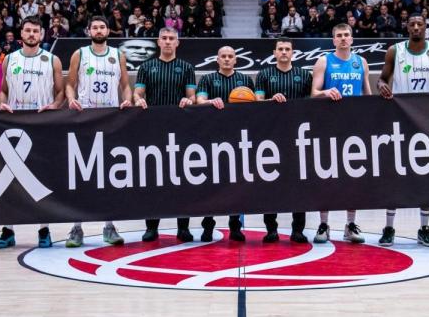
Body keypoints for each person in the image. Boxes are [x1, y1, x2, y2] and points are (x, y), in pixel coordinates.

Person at [375, 15, 429, 247]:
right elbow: (381, 80)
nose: (416, 27)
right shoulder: (394, 51)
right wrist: (383, 86)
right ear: (406, 27)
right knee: (395, 175)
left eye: (420, 24)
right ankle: (389, 227)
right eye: (412, 24)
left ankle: (424, 228)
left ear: (426, 28)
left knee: (426, 176)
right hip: (401, 118)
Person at [0, 17, 65, 249]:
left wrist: (54, 106)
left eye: (36, 31)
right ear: (20, 33)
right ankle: (8, 230)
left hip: (41, 123)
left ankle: (44, 229)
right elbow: (3, 90)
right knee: (10, 178)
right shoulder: (10, 59)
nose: (32, 34)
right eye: (28, 30)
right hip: (14, 122)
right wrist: (3, 104)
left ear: (42, 34)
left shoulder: (52, 60)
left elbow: (60, 92)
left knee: (41, 178)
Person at [64, 16, 136, 248]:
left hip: (110, 118)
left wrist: (126, 101)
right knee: (82, 174)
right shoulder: (80, 54)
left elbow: (125, 85)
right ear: (88, 31)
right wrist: (71, 99)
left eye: (102, 26)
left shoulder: (118, 55)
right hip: (84, 118)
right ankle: (76, 227)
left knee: (109, 174)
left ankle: (109, 226)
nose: (98, 30)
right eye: (94, 27)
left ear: (108, 30)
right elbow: (69, 83)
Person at [133, 28, 197, 242]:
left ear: (177, 43)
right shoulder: (146, 67)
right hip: (153, 130)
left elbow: (192, 96)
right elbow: (138, 92)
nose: (168, 42)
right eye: (164, 38)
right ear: (158, 42)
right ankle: (152, 227)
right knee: (154, 180)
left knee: (182, 180)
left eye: (172, 39)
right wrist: (138, 99)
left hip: (181, 130)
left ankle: (183, 227)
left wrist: (189, 100)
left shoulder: (187, 68)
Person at [310, 23, 371, 244]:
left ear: (352, 39)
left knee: (352, 176)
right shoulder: (324, 61)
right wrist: (326, 91)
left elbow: (367, 95)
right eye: (339, 36)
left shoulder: (361, 62)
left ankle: (350, 224)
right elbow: (313, 93)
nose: (343, 39)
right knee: (325, 175)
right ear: (333, 40)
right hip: (327, 125)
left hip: (353, 127)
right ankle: (324, 224)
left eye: (346, 35)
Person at [195, 47, 255, 243]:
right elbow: (199, 99)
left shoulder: (245, 81)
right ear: (217, 59)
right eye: (223, 56)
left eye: (230, 56)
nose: (227, 59)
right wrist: (210, 101)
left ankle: (235, 226)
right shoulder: (207, 79)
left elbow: (254, 107)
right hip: (212, 138)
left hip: (238, 138)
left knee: (236, 184)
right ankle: (208, 225)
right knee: (211, 183)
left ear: (236, 60)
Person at [255, 38, 312, 243]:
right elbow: (257, 103)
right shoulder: (264, 75)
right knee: (270, 184)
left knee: (299, 184)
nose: (284, 52)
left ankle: (298, 230)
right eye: (281, 49)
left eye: (288, 49)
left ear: (293, 53)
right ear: (275, 52)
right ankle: (271, 230)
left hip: (298, 137)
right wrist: (271, 100)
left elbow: (310, 105)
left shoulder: (304, 75)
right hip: (271, 138)